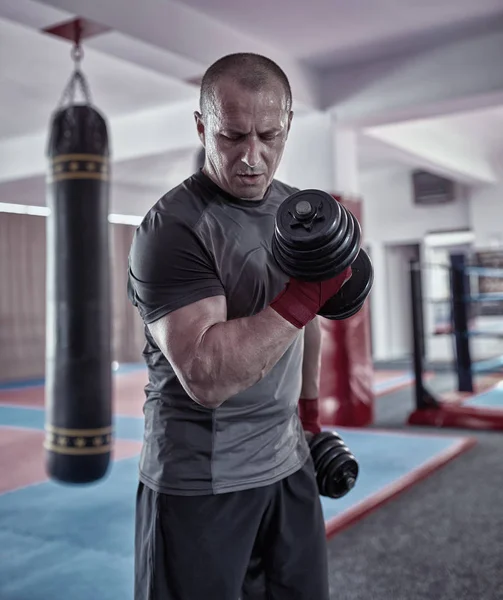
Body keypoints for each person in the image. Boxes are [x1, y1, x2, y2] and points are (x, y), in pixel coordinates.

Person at [127, 52, 351, 600]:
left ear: (288, 125)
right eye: (232, 136)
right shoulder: (173, 229)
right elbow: (207, 375)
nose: (253, 156)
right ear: (204, 126)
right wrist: (306, 296)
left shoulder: (294, 210)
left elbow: (308, 325)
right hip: (202, 483)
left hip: (288, 465)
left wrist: (311, 418)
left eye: (269, 135)